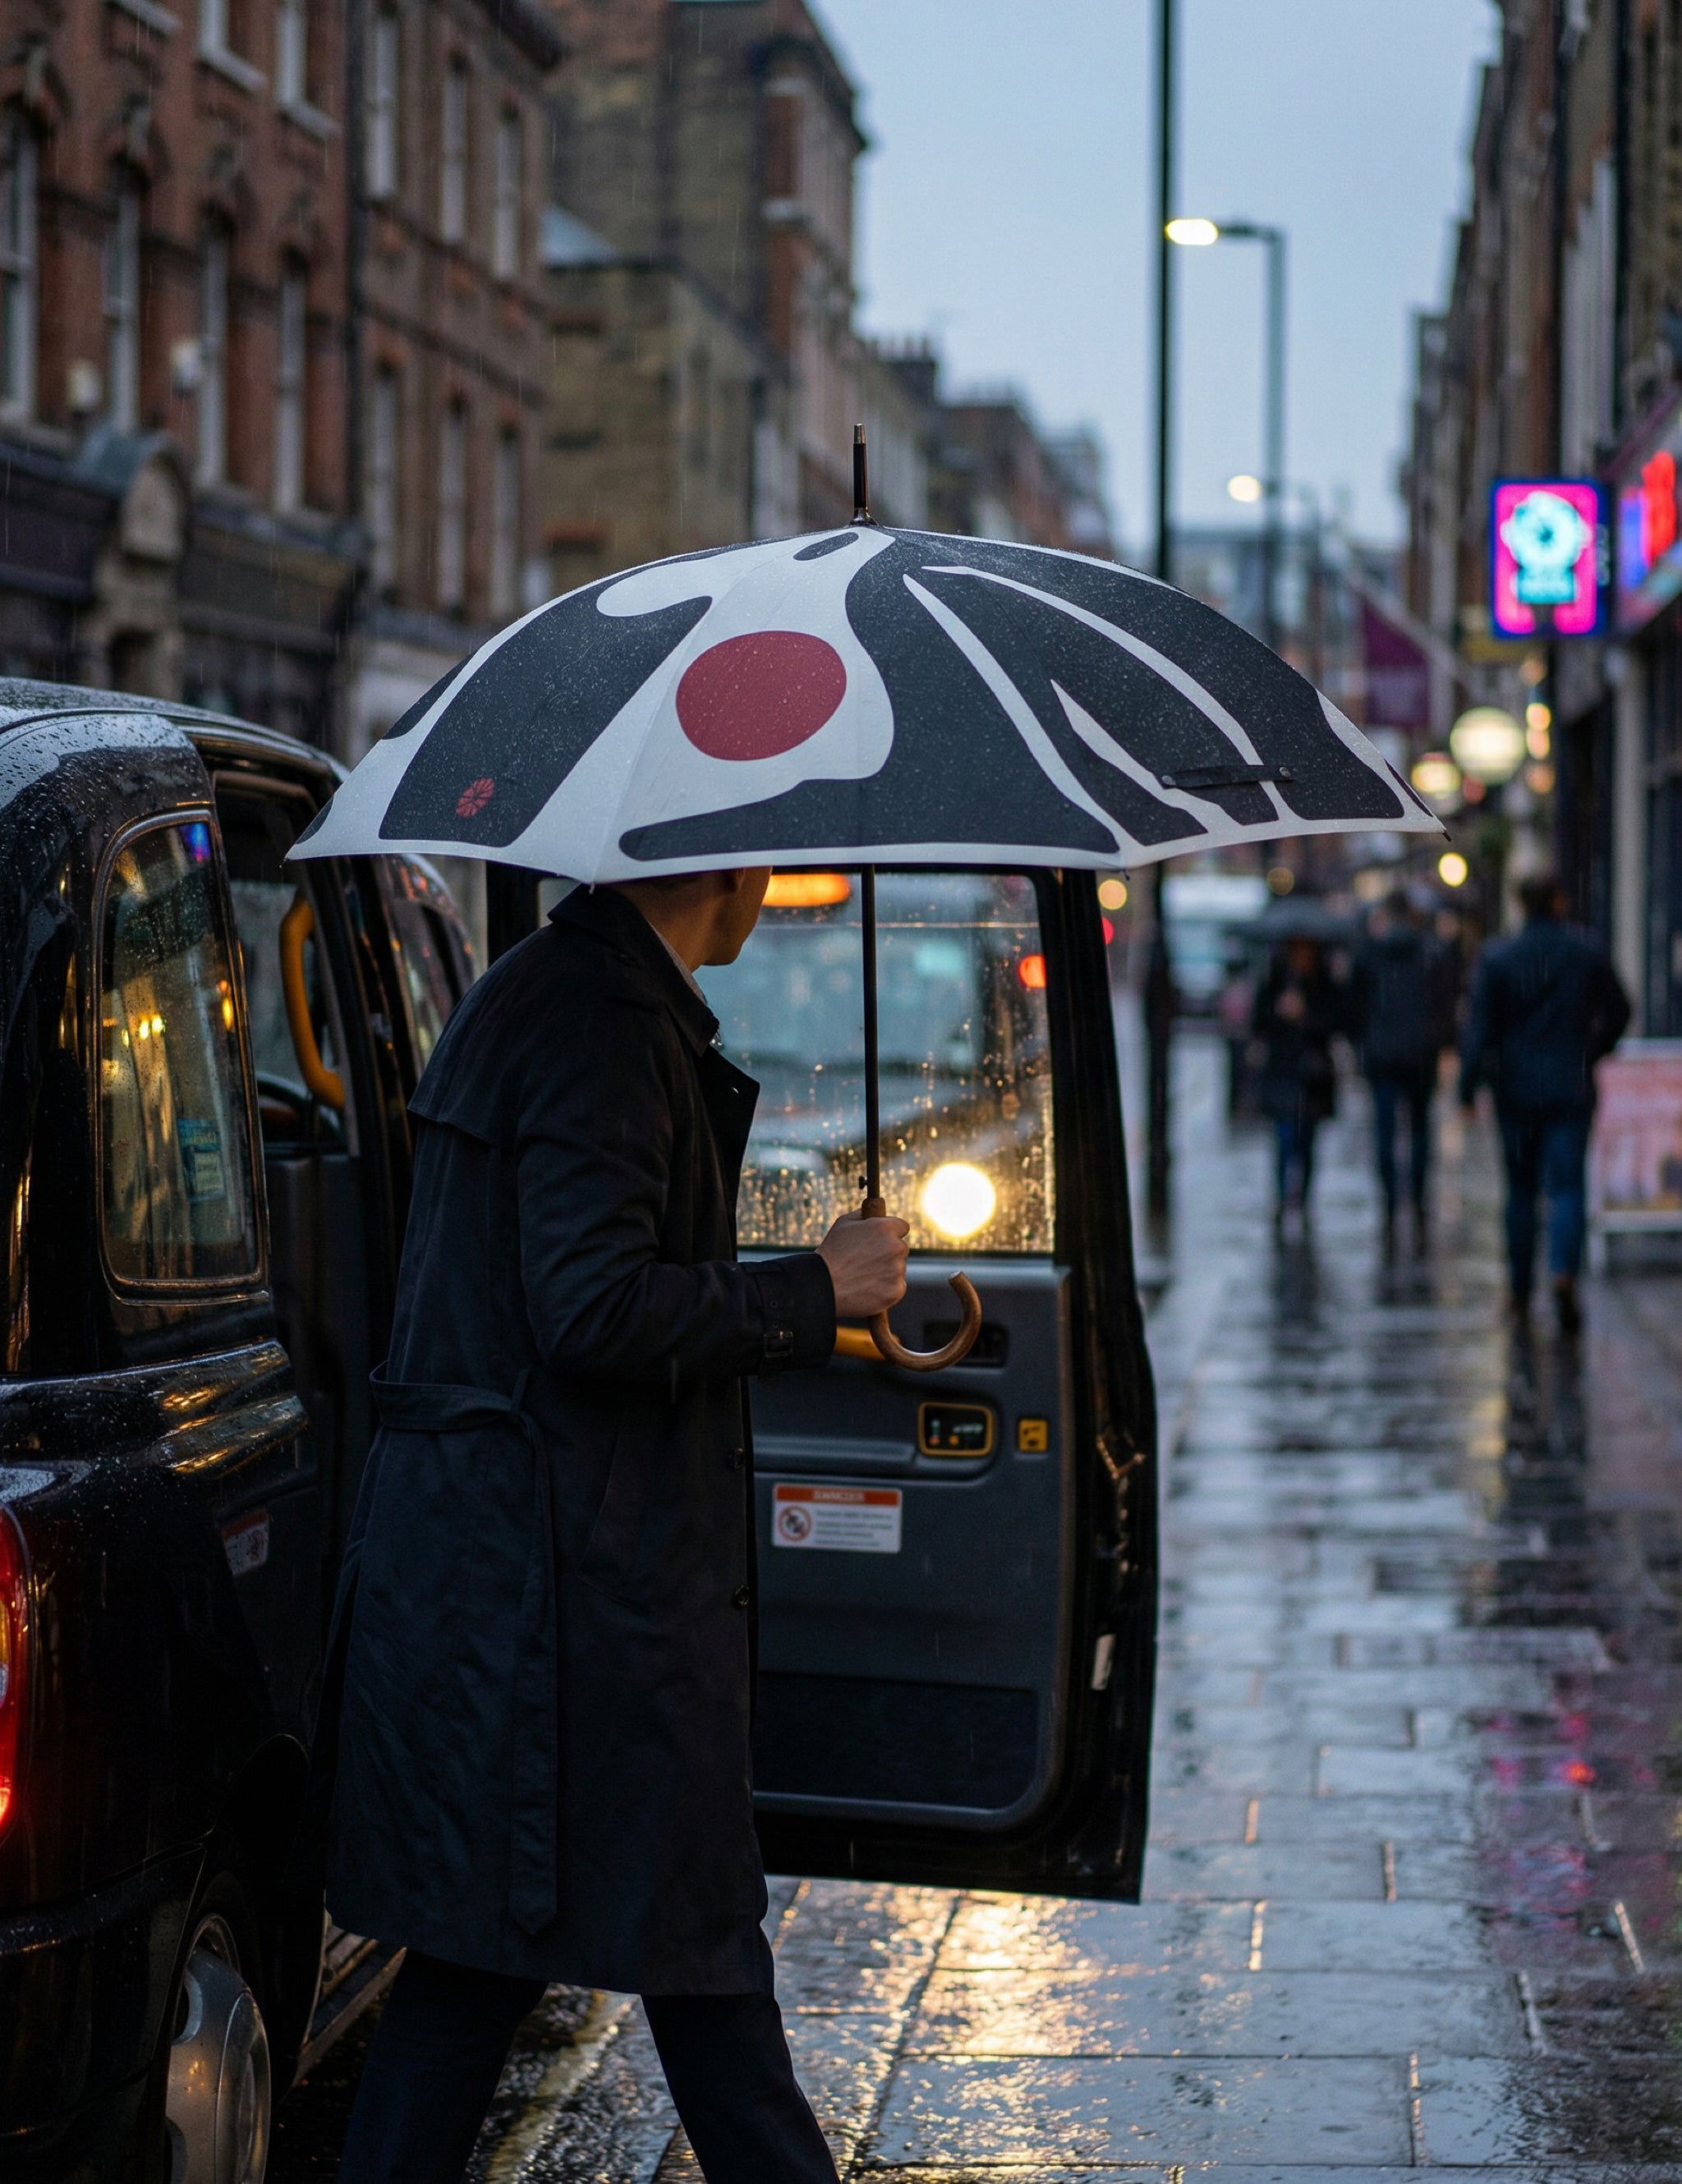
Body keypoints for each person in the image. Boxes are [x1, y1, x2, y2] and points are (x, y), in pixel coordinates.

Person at [323, 869, 908, 2183]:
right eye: (761, 851)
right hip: (570, 1606)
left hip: (520, 1587)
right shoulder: (602, 1022)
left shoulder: (562, 994)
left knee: (492, 1968)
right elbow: (590, 1310)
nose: (771, 881)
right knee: (687, 1963)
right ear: (717, 864)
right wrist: (814, 1287)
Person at [1459, 871, 1630, 1332]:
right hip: (1569, 1089)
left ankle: (1520, 1288)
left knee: (1520, 1191)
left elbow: (1480, 1029)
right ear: (1557, 900)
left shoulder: (1499, 958)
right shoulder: (1585, 951)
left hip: (1515, 1092)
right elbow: (1620, 1010)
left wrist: (1467, 1087)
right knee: (1568, 1187)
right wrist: (1592, 1050)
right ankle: (1563, 1272)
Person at [1352, 890, 1455, 1240]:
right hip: (1419, 1053)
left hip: (1382, 1054)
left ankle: (1391, 1196)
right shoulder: (1430, 953)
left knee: (1385, 1127)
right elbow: (1445, 1003)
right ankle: (1417, 1193)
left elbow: (1357, 1005)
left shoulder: (1370, 953)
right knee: (1420, 1125)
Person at [1252, 931, 1344, 1223]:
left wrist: (1306, 1016)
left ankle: (1302, 1199)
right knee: (1284, 1138)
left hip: (1313, 1076)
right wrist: (1280, 1012)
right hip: (1283, 1071)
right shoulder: (1275, 978)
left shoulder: (1324, 982)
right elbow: (1259, 1019)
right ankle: (1282, 1197)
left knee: (1307, 1141)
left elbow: (1336, 1021)